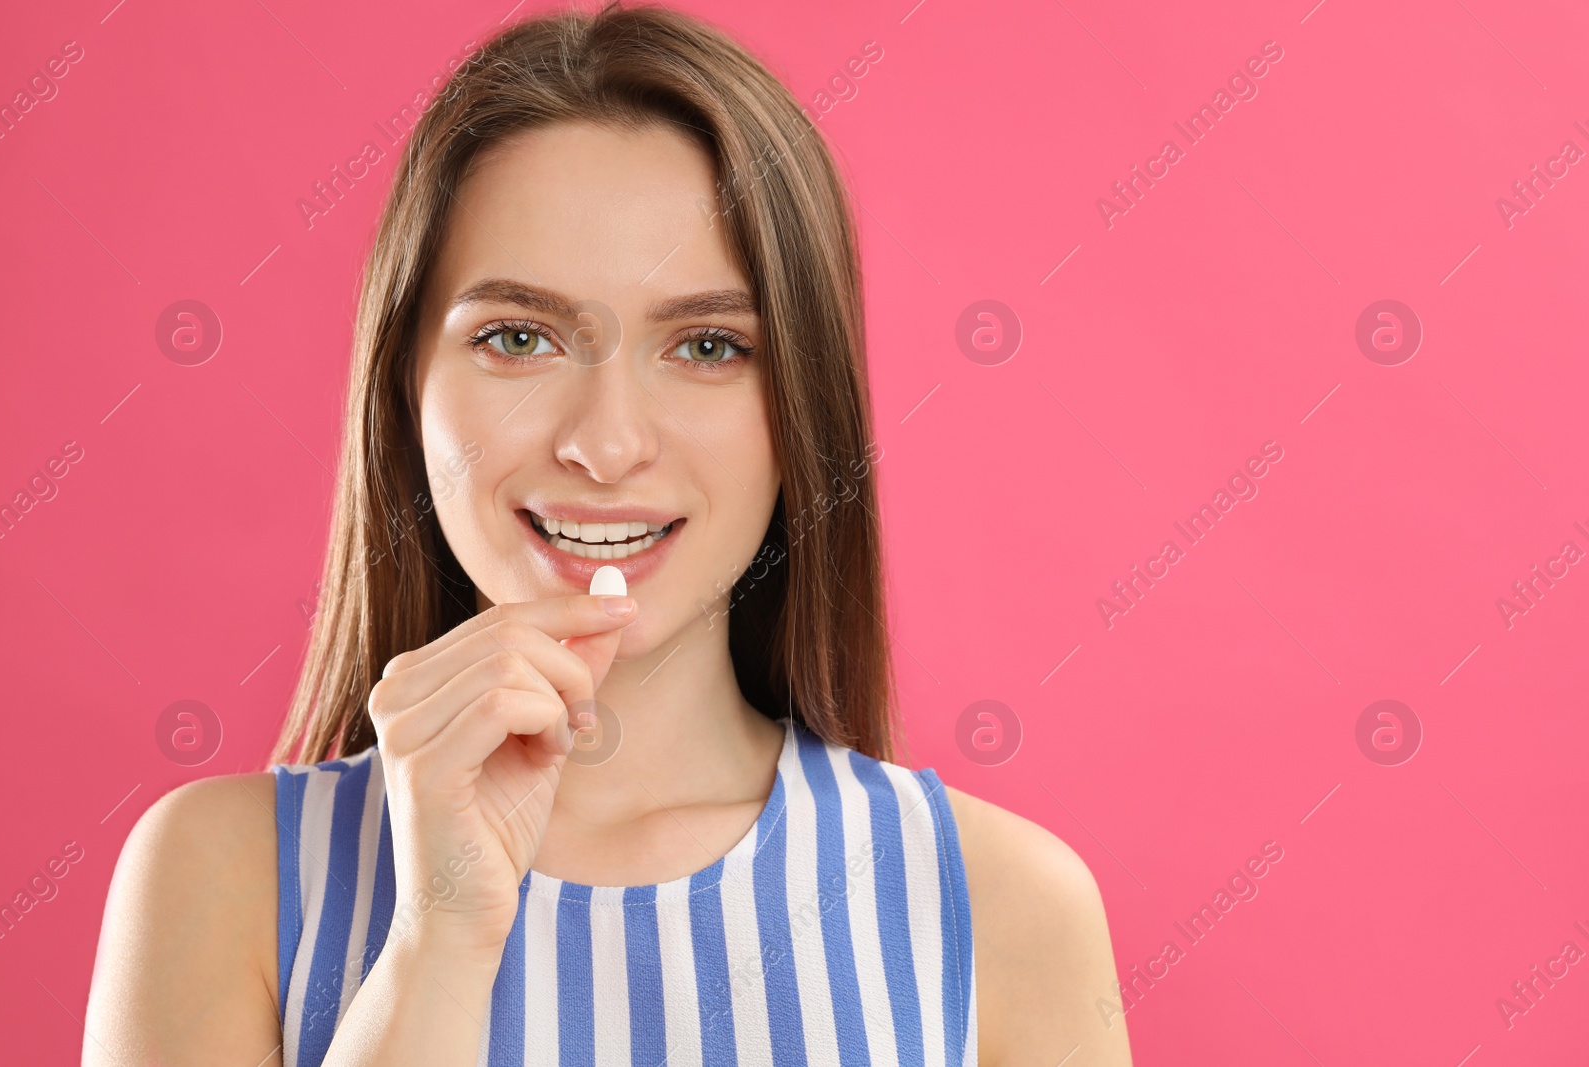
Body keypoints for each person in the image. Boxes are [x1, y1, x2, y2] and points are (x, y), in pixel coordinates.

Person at [84, 4, 1133, 1064]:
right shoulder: (218, 879)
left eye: (709, 345)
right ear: (405, 386)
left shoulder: (1003, 910)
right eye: (519, 336)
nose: (607, 442)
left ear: (802, 406)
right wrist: (439, 941)